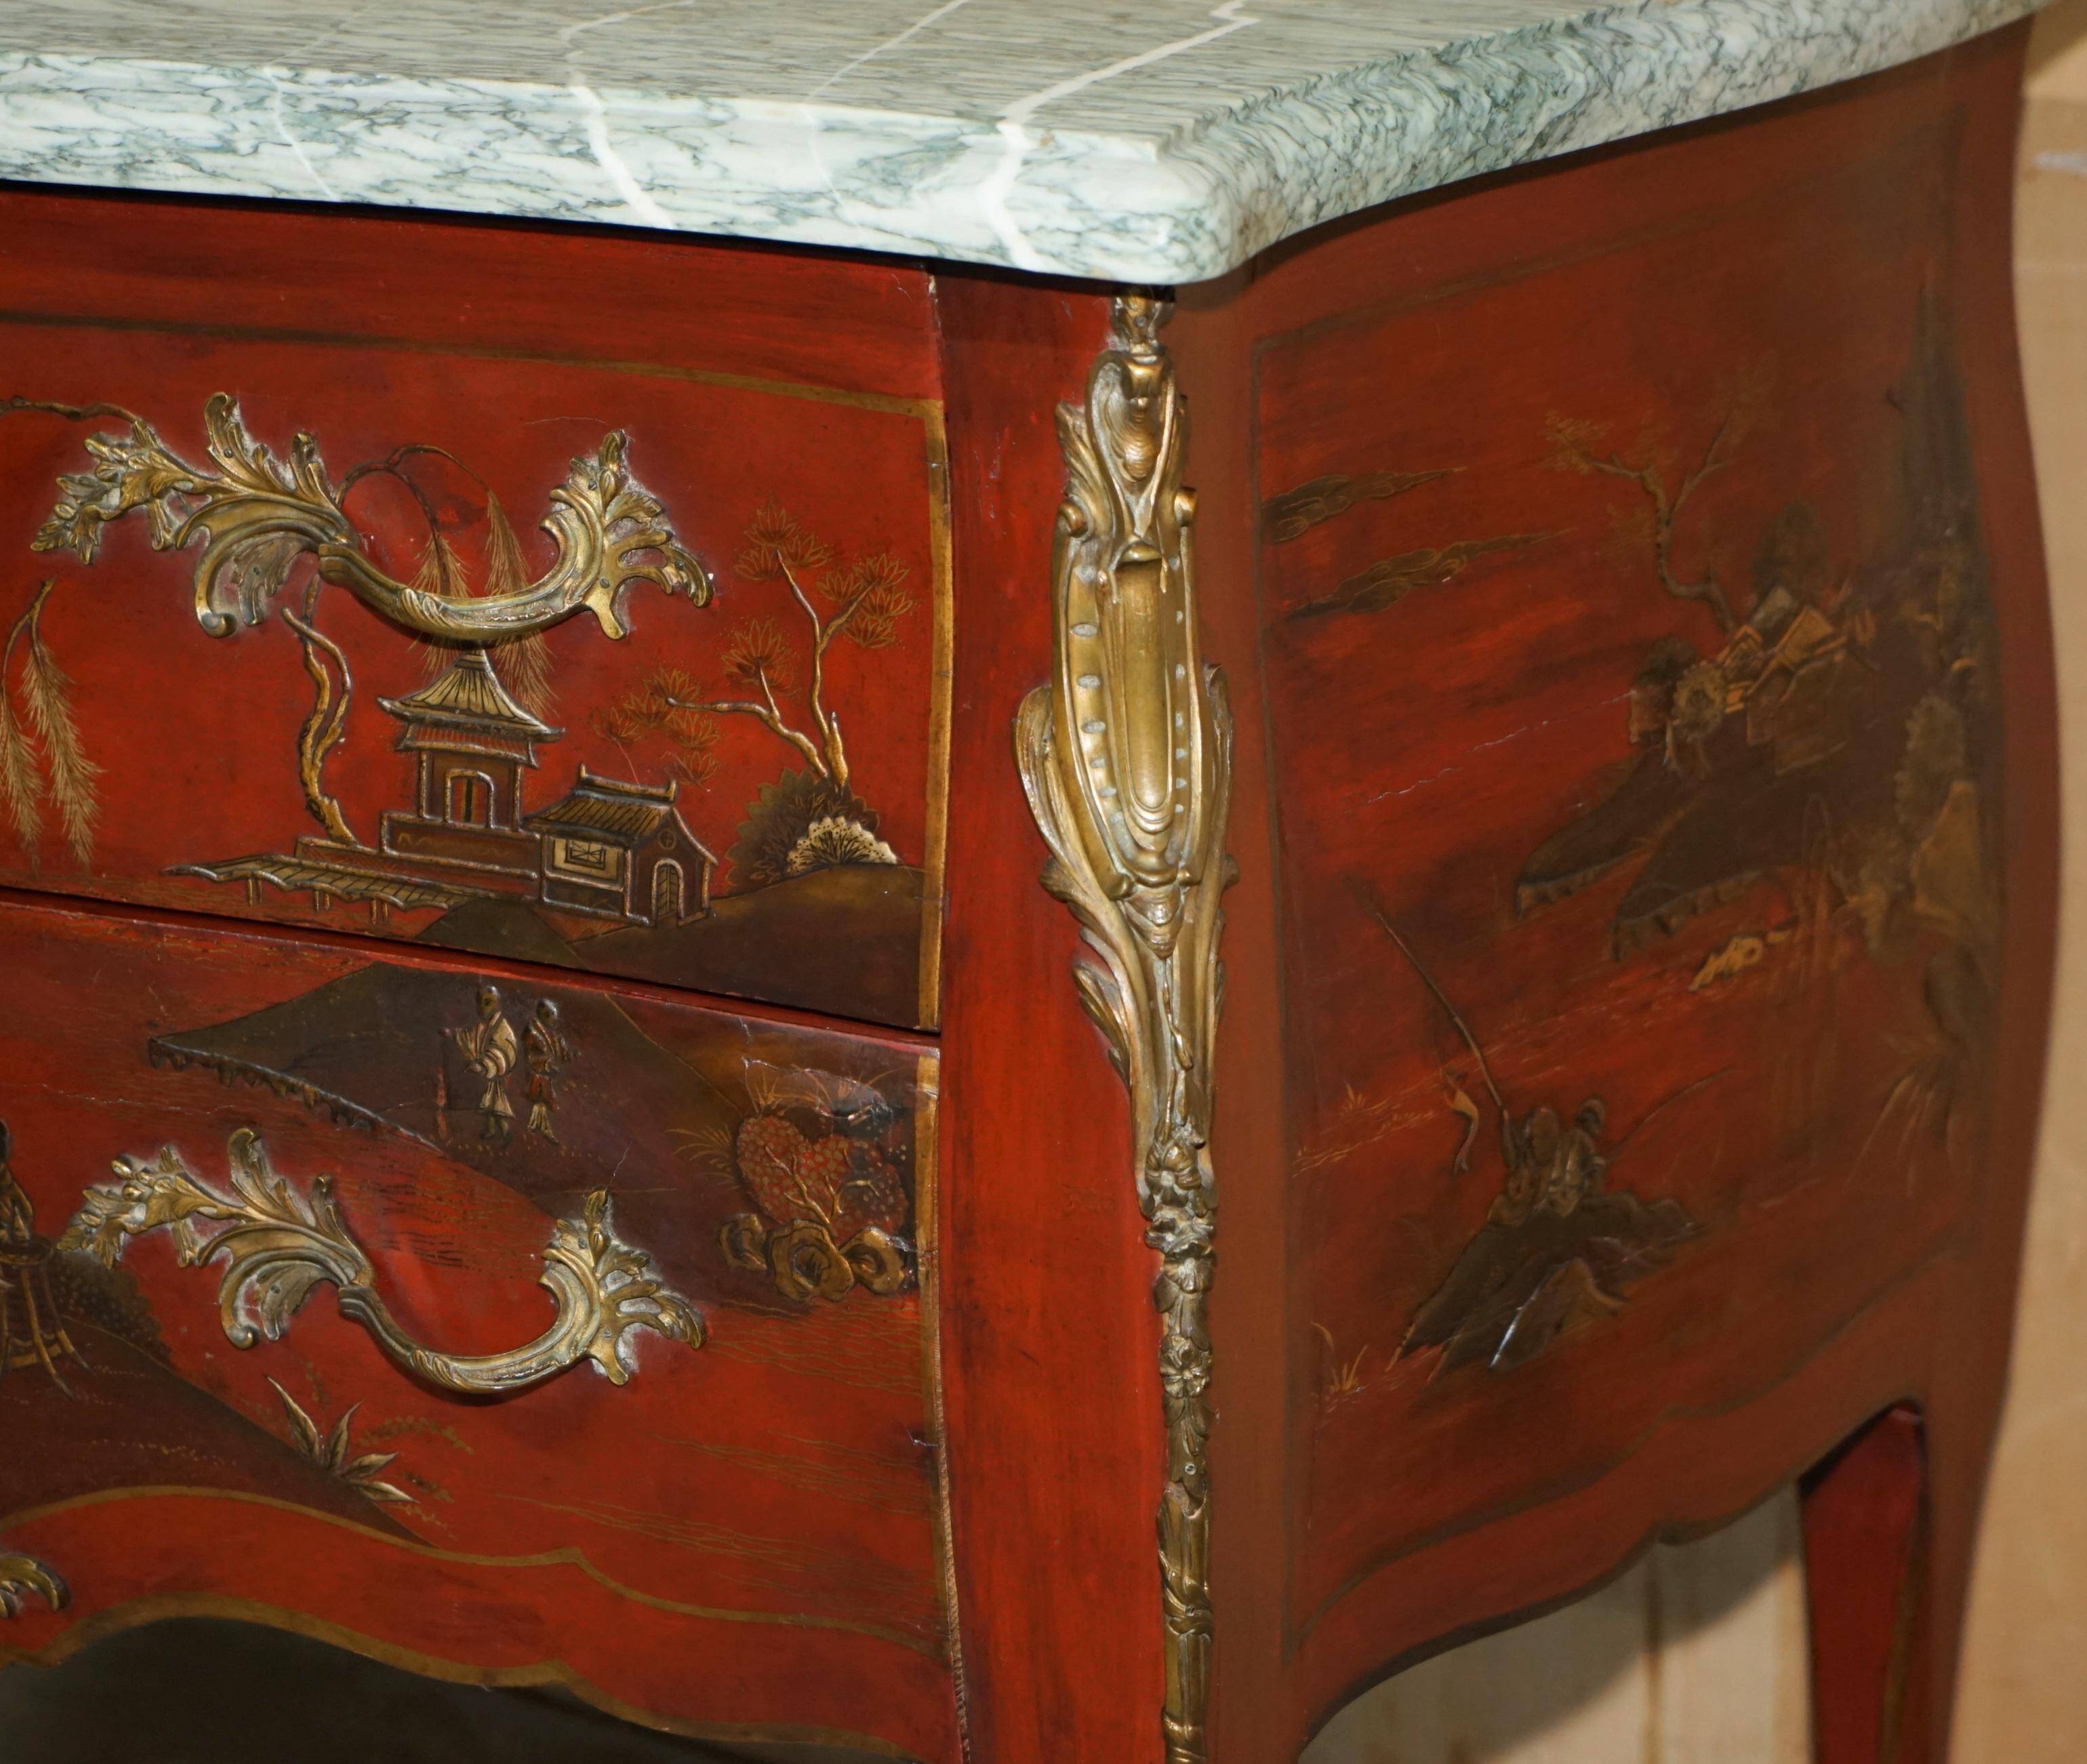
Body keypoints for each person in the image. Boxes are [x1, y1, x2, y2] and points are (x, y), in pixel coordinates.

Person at [448, 986, 519, 1146]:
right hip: (487, 1080)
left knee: (497, 1107)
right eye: (480, 1003)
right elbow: (469, 1036)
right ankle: (491, 1130)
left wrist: (484, 1065)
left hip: (496, 1078)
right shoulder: (482, 1026)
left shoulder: (502, 1027)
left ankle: (506, 1132)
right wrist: (454, 1035)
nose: (482, 1007)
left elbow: (506, 1050)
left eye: (487, 1002)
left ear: (498, 1004)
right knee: (488, 1107)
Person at [524, 999, 572, 1144]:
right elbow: (531, 1056)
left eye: (552, 1013)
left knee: (542, 1102)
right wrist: (546, 1063)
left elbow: (559, 1052)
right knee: (542, 1100)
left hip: (545, 1076)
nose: (552, 1017)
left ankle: (537, 1126)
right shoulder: (533, 1034)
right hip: (539, 1075)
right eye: (548, 1014)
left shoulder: (552, 1036)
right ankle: (540, 1128)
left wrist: (567, 1053)